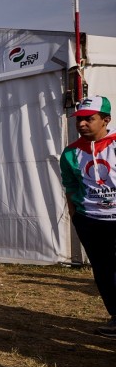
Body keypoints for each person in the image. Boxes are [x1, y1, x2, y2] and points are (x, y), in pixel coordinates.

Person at [60, 96, 116, 335]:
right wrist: (75, 216)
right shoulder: (70, 152)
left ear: (106, 120)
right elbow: (70, 186)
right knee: (103, 271)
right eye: (79, 120)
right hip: (90, 221)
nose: (82, 124)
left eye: (88, 119)